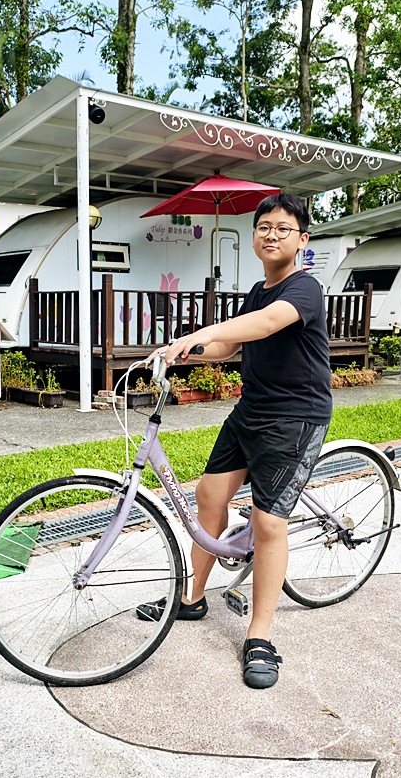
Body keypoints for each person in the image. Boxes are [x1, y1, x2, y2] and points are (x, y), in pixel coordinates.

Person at [136, 193, 333, 689]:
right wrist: (188, 347)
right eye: (264, 227)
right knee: (208, 494)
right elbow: (233, 343)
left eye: (283, 229)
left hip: (295, 418)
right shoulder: (256, 292)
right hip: (251, 411)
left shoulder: (304, 289)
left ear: (302, 240)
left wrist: (206, 328)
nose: (271, 234)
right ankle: (192, 597)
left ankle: (261, 635)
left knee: (268, 523)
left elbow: (268, 325)